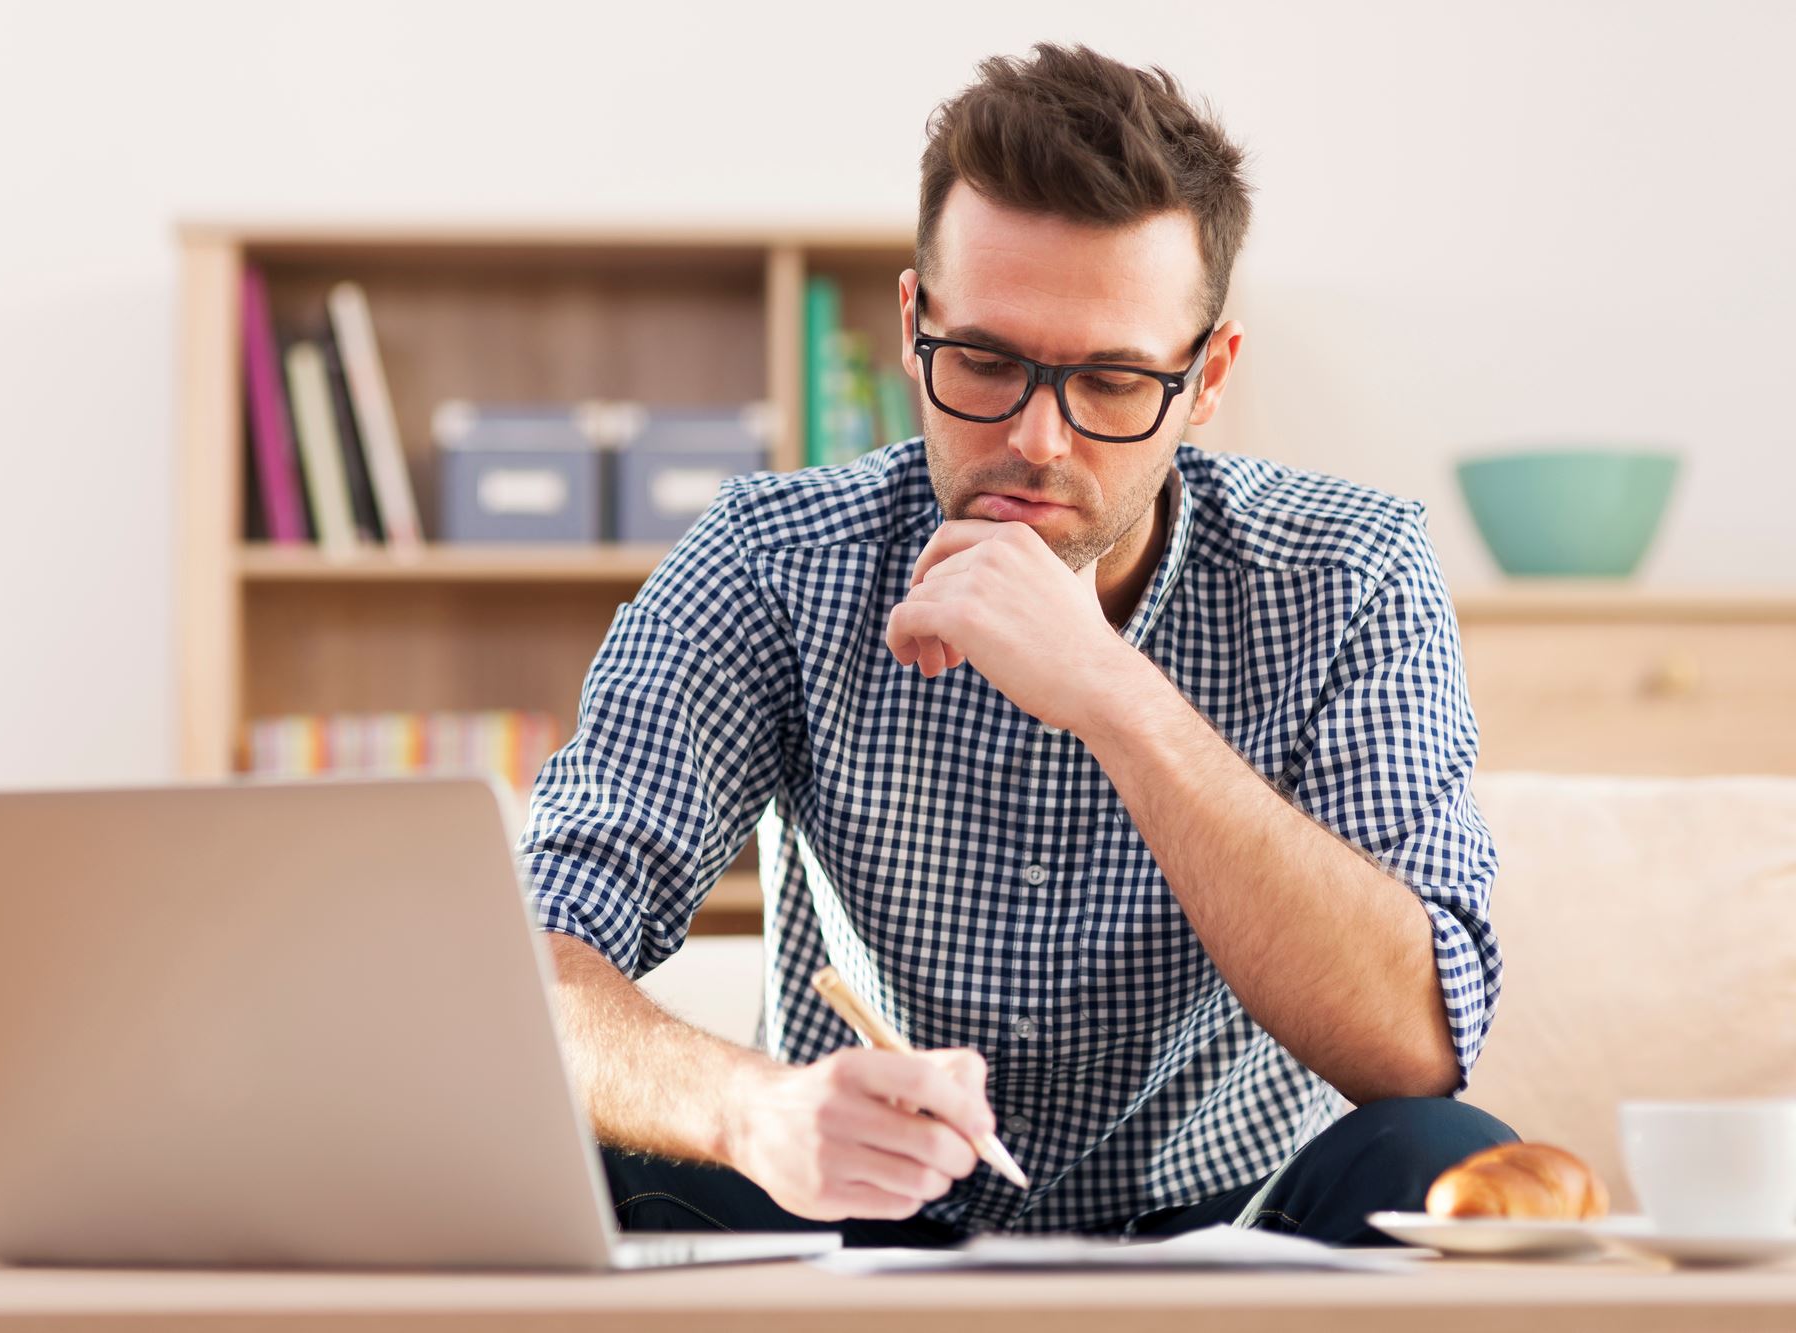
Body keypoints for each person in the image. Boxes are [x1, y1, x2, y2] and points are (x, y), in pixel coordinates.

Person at [519, 43, 1514, 1248]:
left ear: (1207, 380)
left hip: (1234, 1232)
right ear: (911, 325)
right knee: (555, 1152)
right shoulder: (770, 561)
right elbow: (528, 958)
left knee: (1441, 1159)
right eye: (984, 362)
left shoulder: (1350, 572)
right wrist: (748, 1111)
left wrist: (1111, 691)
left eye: (1107, 381)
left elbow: (1415, 1044)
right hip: (861, 1220)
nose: (1037, 441)